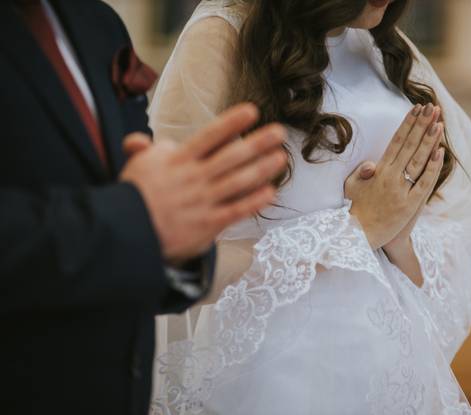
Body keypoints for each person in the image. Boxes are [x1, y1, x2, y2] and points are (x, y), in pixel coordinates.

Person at [149, 0, 471, 414]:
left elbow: (444, 237)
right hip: (277, 377)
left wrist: (397, 236)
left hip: (394, 369)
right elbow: (170, 255)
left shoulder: (379, 43)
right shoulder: (223, 37)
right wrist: (354, 230)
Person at [0, 1, 287, 414]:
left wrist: (183, 233)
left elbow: (142, 196)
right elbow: (135, 215)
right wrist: (138, 222)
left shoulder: (95, 23)